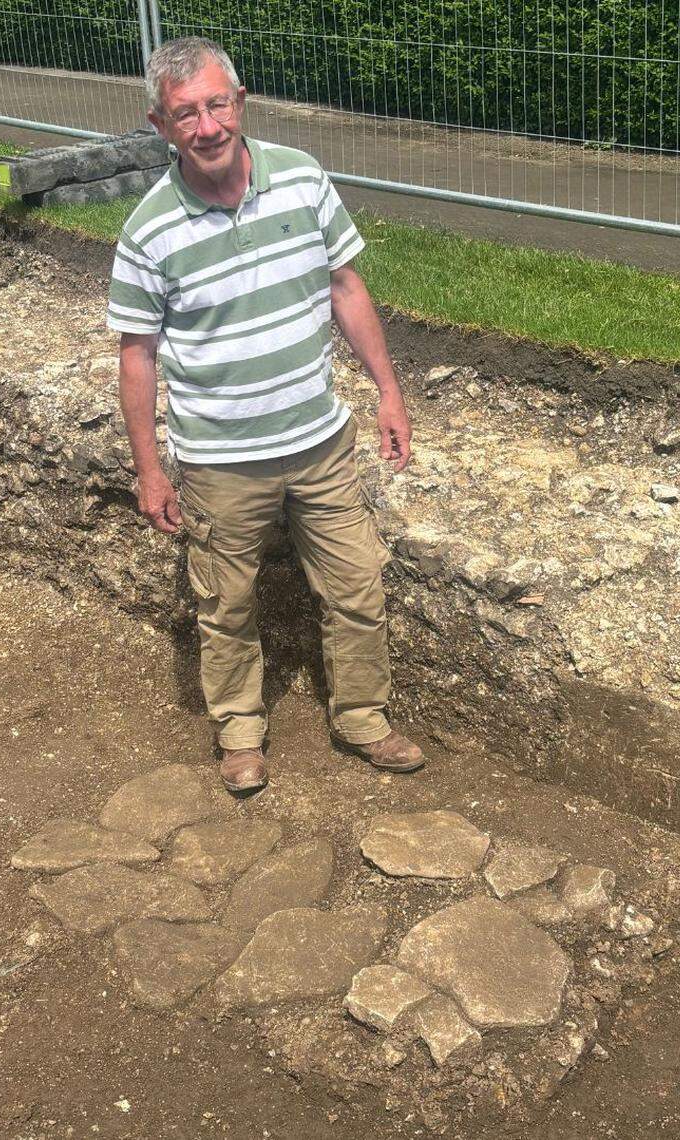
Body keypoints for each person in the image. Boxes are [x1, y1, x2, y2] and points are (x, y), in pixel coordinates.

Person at [107, 36, 424, 793]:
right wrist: (150, 469)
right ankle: (241, 732)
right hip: (219, 461)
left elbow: (345, 289)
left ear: (240, 103)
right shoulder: (150, 230)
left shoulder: (303, 178)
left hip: (320, 442)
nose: (208, 125)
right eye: (187, 114)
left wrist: (388, 392)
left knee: (358, 586)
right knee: (226, 604)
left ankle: (362, 718)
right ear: (161, 125)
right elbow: (137, 356)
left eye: (218, 104)